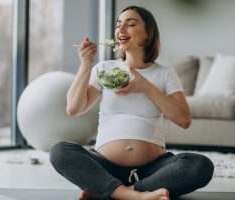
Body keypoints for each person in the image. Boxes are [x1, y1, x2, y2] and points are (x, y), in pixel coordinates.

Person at [49, 5, 214, 200]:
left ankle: (113, 190)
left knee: (201, 165)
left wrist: (145, 86)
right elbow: (74, 108)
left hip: (153, 170)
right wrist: (86, 65)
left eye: (131, 24)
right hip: (105, 166)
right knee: (60, 151)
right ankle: (136, 195)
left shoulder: (165, 74)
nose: (120, 29)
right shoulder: (105, 69)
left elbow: (184, 120)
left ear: (147, 35)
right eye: (118, 25)